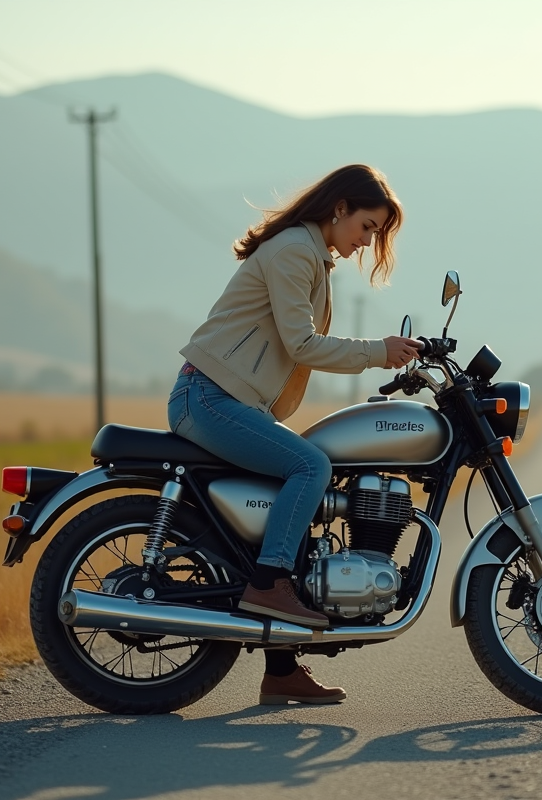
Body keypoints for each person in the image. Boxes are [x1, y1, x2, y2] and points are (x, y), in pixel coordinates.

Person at [166, 164, 420, 705]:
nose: (365, 241)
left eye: (374, 233)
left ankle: (281, 670)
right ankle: (268, 585)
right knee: (311, 467)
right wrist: (378, 352)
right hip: (209, 396)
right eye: (367, 227)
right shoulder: (295, 252)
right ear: (340, 208)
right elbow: (301, 344)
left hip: (228, 399)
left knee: (300, 501)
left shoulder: (309, 253)